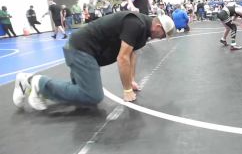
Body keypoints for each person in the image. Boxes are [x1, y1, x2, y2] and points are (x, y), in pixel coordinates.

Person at [12, 12, 175, 110]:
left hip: (84, 51)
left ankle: (31, 85)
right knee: (93, 96)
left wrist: (131, 80)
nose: (161, 38)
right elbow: (123, 57)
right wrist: (126, 90)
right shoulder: (136, 24)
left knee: (81, 94)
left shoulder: (143, 32)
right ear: (159, 27)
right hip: (81, 49)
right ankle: (36, 82)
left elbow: (132, 55)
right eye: (163, 35)